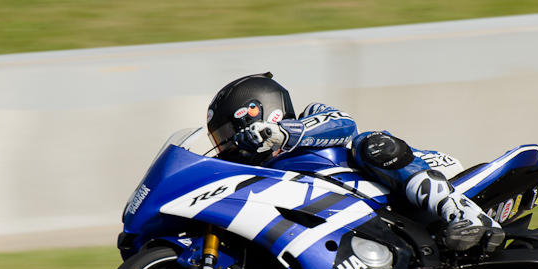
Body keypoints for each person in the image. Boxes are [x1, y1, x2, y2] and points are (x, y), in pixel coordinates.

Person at [206, 72, 504, 252]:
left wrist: (282, 133)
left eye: (229, 134)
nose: (229, 145)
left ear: (260, 111)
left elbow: (345, 124)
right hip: (367, 227)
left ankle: (464, 215)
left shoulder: (311, 116)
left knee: (370, 143)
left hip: (414, 179)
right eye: (219, 140)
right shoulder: (265, 177)